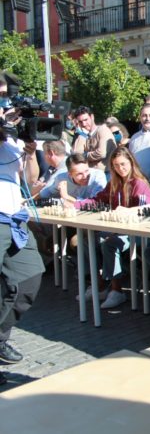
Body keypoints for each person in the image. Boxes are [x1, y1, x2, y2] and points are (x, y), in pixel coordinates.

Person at [70, 147, 150, 308]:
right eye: (116, 165)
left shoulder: (140, 184)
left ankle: (117, 290)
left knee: (110, 242)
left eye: (123, 164)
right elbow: (98, 200)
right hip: (118, 229)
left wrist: (127, 213)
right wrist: (75, 204)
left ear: (131, 162)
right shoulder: (114, 183)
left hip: (139, 233)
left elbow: (146, 213)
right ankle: (101, 283)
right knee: (89, 240)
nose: (120, 169)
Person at [0, 97, 45, 385]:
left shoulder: (13, 141)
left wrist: (29, 152)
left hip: (14, 218)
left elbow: (30, 177)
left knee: (30, 276)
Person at [34, 153, 107, 202]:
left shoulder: (98, 176)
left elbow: (94, 203)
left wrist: (66, 197)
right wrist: (28, 201)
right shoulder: (61, 177)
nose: (85, 176)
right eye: (79, 174)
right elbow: (48, 191)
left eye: (86, 171)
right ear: (70, 174)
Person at [71, 106, 117, 176]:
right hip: (92, 174)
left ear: (92, 117)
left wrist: (85, 155)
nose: (84, 124)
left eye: (86, 120)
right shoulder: (85, 135)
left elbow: (101, 153)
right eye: (80, 122)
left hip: (106, 174)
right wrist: (81, 135)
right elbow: (76, 154)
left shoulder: (103, 130)